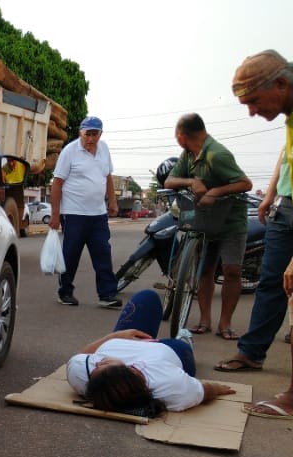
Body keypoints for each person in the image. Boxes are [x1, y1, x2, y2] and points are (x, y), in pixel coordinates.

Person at [212, 51, 293, 420]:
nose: (251, 112)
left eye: (254, 102)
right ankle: (252, 351)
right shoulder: (289, 112)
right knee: (271, 283)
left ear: (280, 84)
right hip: (286, 208)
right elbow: (287, 153)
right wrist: (274, 190)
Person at [67, 289, 236, 415]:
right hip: (172, 352)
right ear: (130, 369)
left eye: (95, 367)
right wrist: (219, 389)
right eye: (103, 364)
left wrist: (116, 336)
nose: (97, 361)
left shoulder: (85, 378)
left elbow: (78, 357)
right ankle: (185, 339)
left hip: (130, 340)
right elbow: (205, 390)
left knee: (148, 297)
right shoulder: (172, 385)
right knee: (182, 345)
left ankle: (137, 335)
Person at [163, 113, 253, 340]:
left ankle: (225, 324)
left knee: (232, 271)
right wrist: (192, 181)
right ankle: (205, 321)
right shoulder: (188, 154)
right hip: (205, 219)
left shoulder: (217, 155)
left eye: (176, 135)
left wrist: (216, 191)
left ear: (182, 136)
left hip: (231, 221)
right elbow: (169, 181)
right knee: (205, 271)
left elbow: (245, 183)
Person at [49, 116, 121, 309]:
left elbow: (107, 177)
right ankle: (65, 292)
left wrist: (112, 201)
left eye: (94, 134)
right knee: (71, 255)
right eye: (87, 134)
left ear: (100, 134)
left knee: (103, 253)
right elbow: (57, 184)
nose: (90, 138)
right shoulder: (69, 152)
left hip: (98, 214)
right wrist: (55, 214)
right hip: (74, 214)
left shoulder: (104, 149)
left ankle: (107, 294)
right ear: (80, 132)